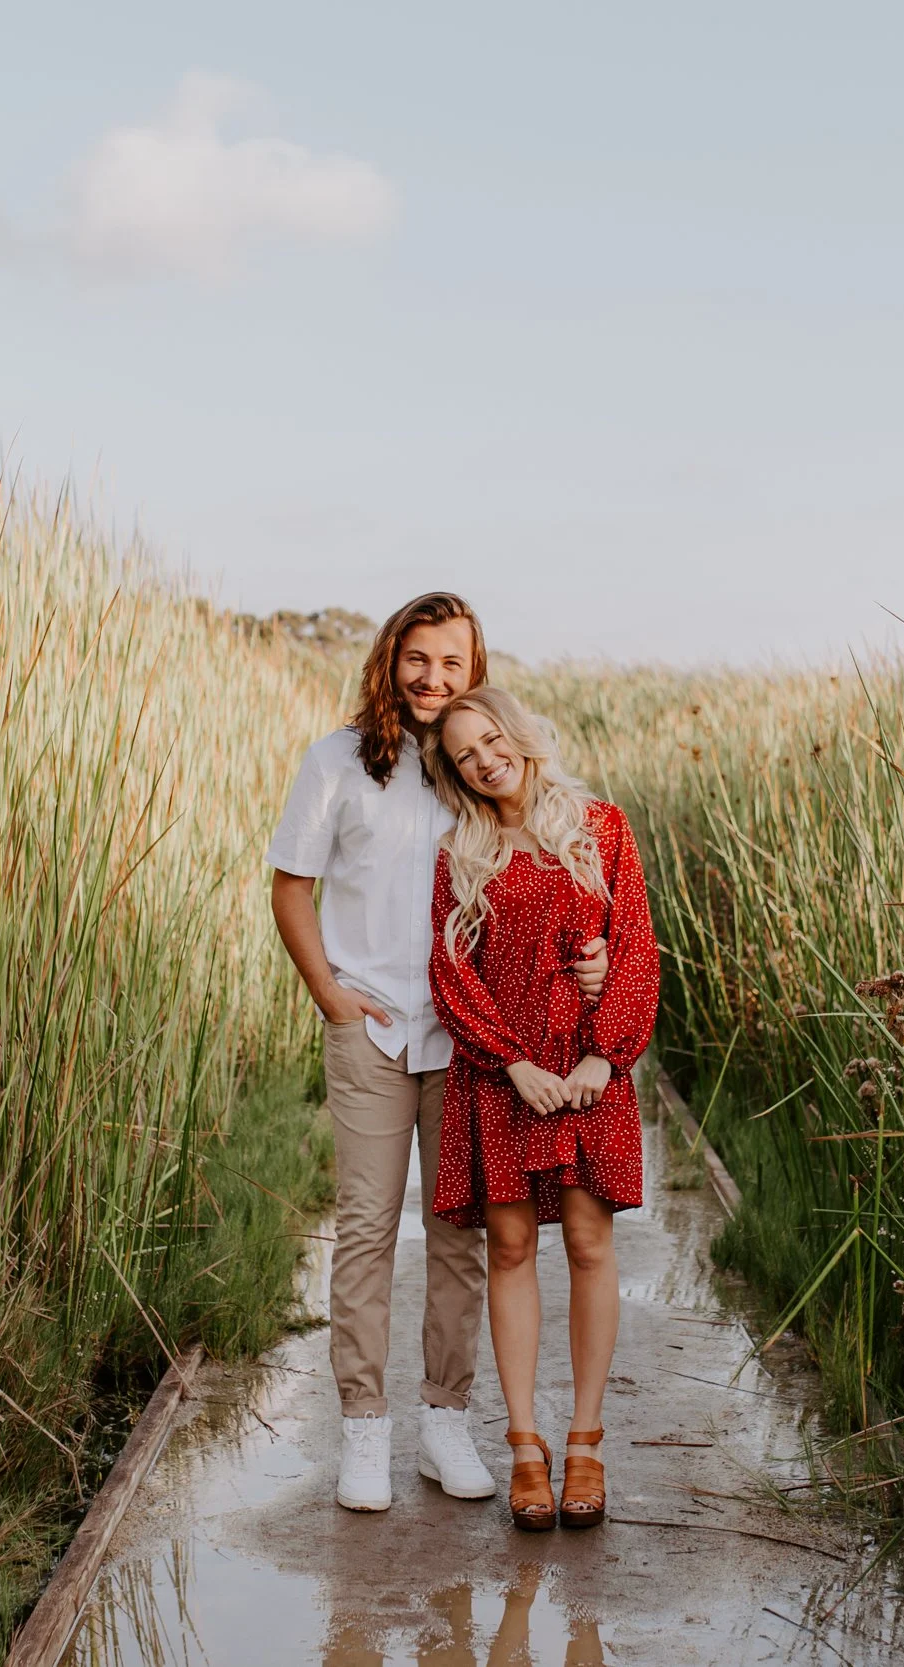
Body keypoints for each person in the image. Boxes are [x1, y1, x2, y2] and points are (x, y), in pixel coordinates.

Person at [267, 595, 610, 1512]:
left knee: (462, 1234)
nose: (432, 678)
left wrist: (596, 961)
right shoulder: (337, 760)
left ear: (474, 670)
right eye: (417, 659)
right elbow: (290, 888)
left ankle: (444, 1421)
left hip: (472, 1041)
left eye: (451, 663)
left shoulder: (474, 766)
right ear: (391, 660)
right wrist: (332, 997)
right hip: (375, 1029)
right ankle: (366, 1431)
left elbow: (562, 873)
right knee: (371, 1226)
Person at [423, 686, 658, 1532]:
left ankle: (586, 1442)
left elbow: (632, 944)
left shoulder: (602, 826)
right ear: (454, 772)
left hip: (590, 1065)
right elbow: (451, 973)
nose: (486, 759)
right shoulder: (461, 851)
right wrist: (512, 1062)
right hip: (504, 1071)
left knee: (592, 1242)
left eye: (491, 739)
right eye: (464, 755)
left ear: (518, 733)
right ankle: (526, 1446)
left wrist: (605, 1051)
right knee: (512, 1244)